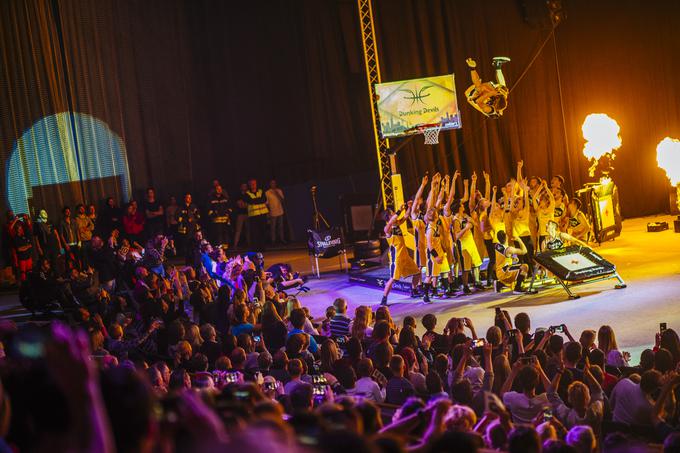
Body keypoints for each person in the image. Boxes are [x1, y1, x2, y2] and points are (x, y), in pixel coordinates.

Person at [381, 202, 421, 305]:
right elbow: (390, 223)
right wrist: (399, 210)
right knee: (393, 278)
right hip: (396, 258)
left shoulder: (397, 224)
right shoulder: (387, 229)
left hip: (405, 256)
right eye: (392, 213)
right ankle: (384, 299)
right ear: (389, 216)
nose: (395, 213)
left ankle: (414, 290)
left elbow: (406, 216)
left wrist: (409, 207)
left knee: (417, 273)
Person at [244, 178, 269, 252]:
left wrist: (256, 201)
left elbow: (264, 199)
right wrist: (258, 200)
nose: (253, 185)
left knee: (263, 231)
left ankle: (263, 247)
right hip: (253, 216)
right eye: (251, 184)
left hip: (262, 214)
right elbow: (250, 201)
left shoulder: (261, 191)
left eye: (254, 184)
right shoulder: (247, 193)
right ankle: (256, 248)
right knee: (255, 233)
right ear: (249, 185)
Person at [176, 193, 200, 257]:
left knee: (193, 240)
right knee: (186, 241)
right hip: (185, 228)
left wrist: (193, 220)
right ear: (185, 198)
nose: (189, 199)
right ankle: (186, 254)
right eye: (187, 197)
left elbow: (198, 216)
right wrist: (185, 221)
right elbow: (177, 217)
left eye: (190, 198)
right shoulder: (181, 207)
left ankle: (193, 253)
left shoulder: (193, 207)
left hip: (193, 227)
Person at [59, 206, 80, 271]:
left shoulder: (73, 221)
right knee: (68, 260)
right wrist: (65, 244)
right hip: (68, 244)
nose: (68, 213)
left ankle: (78, 271)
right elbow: (61, 235)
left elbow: (77, 231)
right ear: (64, 213)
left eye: (69, 211)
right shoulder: (62, 222)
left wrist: (79, 242)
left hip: (75, 243)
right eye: (66, 212)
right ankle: (70, 273)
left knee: (77, 258)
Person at [265, 179, 286, 245]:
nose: (273, 184)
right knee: (273, 227)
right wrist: (268, 212)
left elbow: (282, 200)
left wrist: (277, 193)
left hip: (280, 211)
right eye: (272, 183)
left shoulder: (279, 191)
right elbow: (266, 203)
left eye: (274, 183)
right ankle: (273, 240)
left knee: (281, 226)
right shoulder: (267, 192)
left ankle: (282, 239)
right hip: (272, 212)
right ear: (270, 184)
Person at [75, 204, 95, 269]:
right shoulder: (76, 219)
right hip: (83, 240)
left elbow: (92, 226)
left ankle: (93, 267)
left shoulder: (87, 217)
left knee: (91, 254)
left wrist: (86, 228)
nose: (82, 210)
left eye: (83, 208)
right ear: (78, 210)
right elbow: (77, 229)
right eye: (80, 208)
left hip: (89, 238)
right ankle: (87, 268)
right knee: (84, 256)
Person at [233, 183, 250, 249]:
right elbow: (240, 205)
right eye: (243, 186)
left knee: (248, 230)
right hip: (240, 214)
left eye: (245, 186)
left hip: (248, 214)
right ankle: (235, 245)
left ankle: (249, 244)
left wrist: (245, 205)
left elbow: (248, 205)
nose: (244, 187)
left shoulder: (248, 195)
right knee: (238, 230)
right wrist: (245, 204)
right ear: (241, 187)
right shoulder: (238, 195)